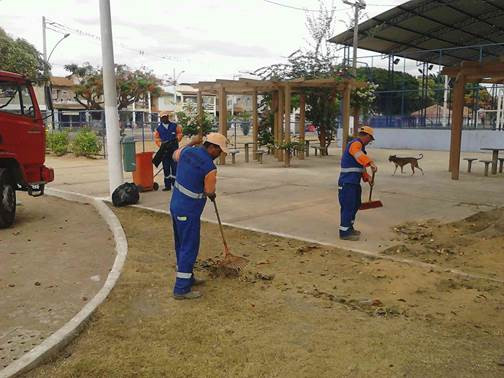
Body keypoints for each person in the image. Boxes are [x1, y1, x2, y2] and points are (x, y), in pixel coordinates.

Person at [170, 132, 228, 300]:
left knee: (181, 244)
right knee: (189, 246)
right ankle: (181, 289)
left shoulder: (188, 151)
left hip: (176, 206)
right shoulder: (209, 168)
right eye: (219, 151)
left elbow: (175, 155)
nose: (219, 155)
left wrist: (191, 142)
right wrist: (211, 194)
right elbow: (209, 190)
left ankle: (188, 277)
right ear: (212, 147)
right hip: (188, 211)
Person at [338, 126, 378, 241]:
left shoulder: (360, 148)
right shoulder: (355, 144)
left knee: (355, 204)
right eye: (370, 140)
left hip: (353, 182)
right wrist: (370, 162)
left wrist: (367, 177)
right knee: (348, 206)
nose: (370, 142)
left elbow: (360, 167)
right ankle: (344, 232)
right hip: (347, 182)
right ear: (367, 136)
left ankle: (349, 227)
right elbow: (358, 155)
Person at [154, 112, 183, 191]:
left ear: (167, 117)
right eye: (163, 117)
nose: (164, 119)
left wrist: (177, 139)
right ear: (161, 119)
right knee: (166, 168)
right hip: (165, 152)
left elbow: (180, 133)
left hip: (174, 151)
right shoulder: (158, 129)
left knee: (175, 168)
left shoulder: (175, 126)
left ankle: (175, 185)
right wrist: (162, 145)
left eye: (165, 117)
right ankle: (167, 186)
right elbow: (157, 139)